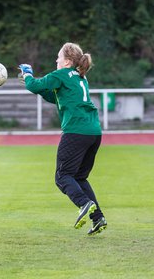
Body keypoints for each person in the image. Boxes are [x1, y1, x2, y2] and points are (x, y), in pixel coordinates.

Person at [18, 42, 107, 235]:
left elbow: (35, 86)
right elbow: (54, 96)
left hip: (76, 131)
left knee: (62, 176)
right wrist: (33, 83)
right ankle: (98, 217)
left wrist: (27, 75)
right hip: (94, 132)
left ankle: (84, 204)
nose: (56, 60)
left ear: (67, 61)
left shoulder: (60, 74)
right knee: (79, 177)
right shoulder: (80, 78)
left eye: (58, 57)